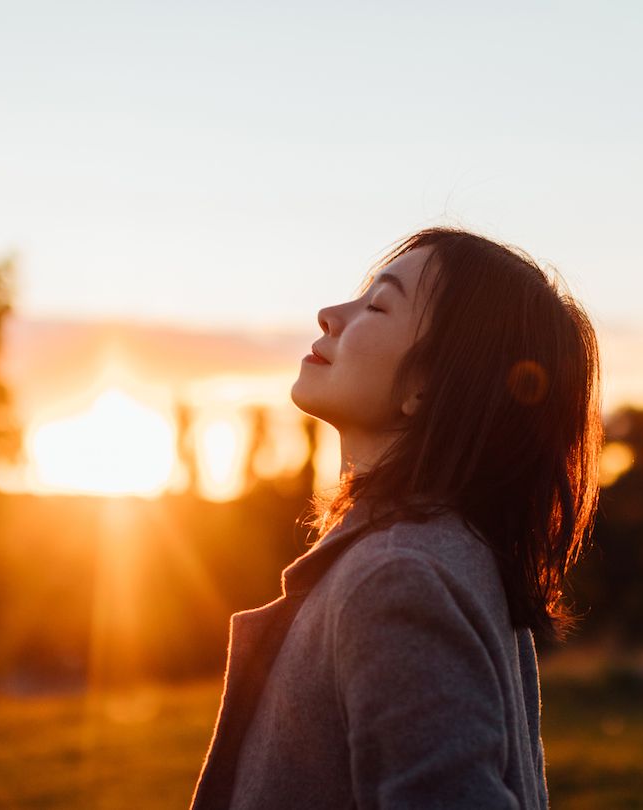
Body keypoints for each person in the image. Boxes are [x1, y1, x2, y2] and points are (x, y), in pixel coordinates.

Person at [191, 228, 602, 809]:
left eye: (378, 305)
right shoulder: (454, 552)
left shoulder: (397, 578)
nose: (330, 314)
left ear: (427, 387)